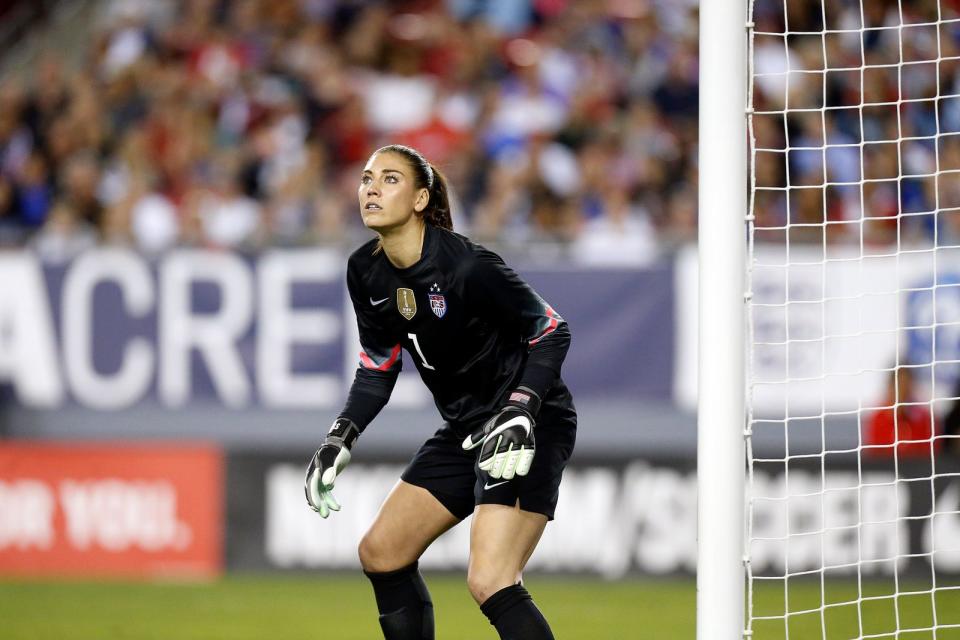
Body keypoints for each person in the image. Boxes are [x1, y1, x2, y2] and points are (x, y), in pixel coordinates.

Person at [304, 144, 576, 640]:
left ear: (420, 198)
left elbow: (551, 330)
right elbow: (378, 367)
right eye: (367, 178)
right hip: (466, 427)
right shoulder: (364, 270)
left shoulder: (466, 265)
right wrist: (339, 437)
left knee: (491, 580)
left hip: (526, 423)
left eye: (389, 179)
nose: (371, 188)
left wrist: (522, 409)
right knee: (382, 553)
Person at [865, 366, 938, 459]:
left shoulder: (924, 419)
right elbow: (874, 454)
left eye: (906, 386)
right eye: (899, 386)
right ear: (890, 387)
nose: (902, 392)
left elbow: (929, 453)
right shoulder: (879, 419)